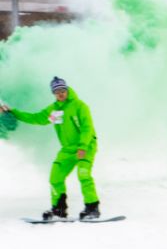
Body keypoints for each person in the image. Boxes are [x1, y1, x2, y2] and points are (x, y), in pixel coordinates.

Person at [2, 77, 103, 220]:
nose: (60, 94)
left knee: (83, 175)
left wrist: (83, 146)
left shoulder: (80, 106)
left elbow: (87, 128)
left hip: (86, 146)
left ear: (67, 90)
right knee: (55, 178)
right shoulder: (54, 110)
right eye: (56, 92)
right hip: (67, 149)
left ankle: (92, 208)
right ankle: (59, 209)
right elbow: (36, 118)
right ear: (53, 94)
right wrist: (13, 112)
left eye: (62, 90)